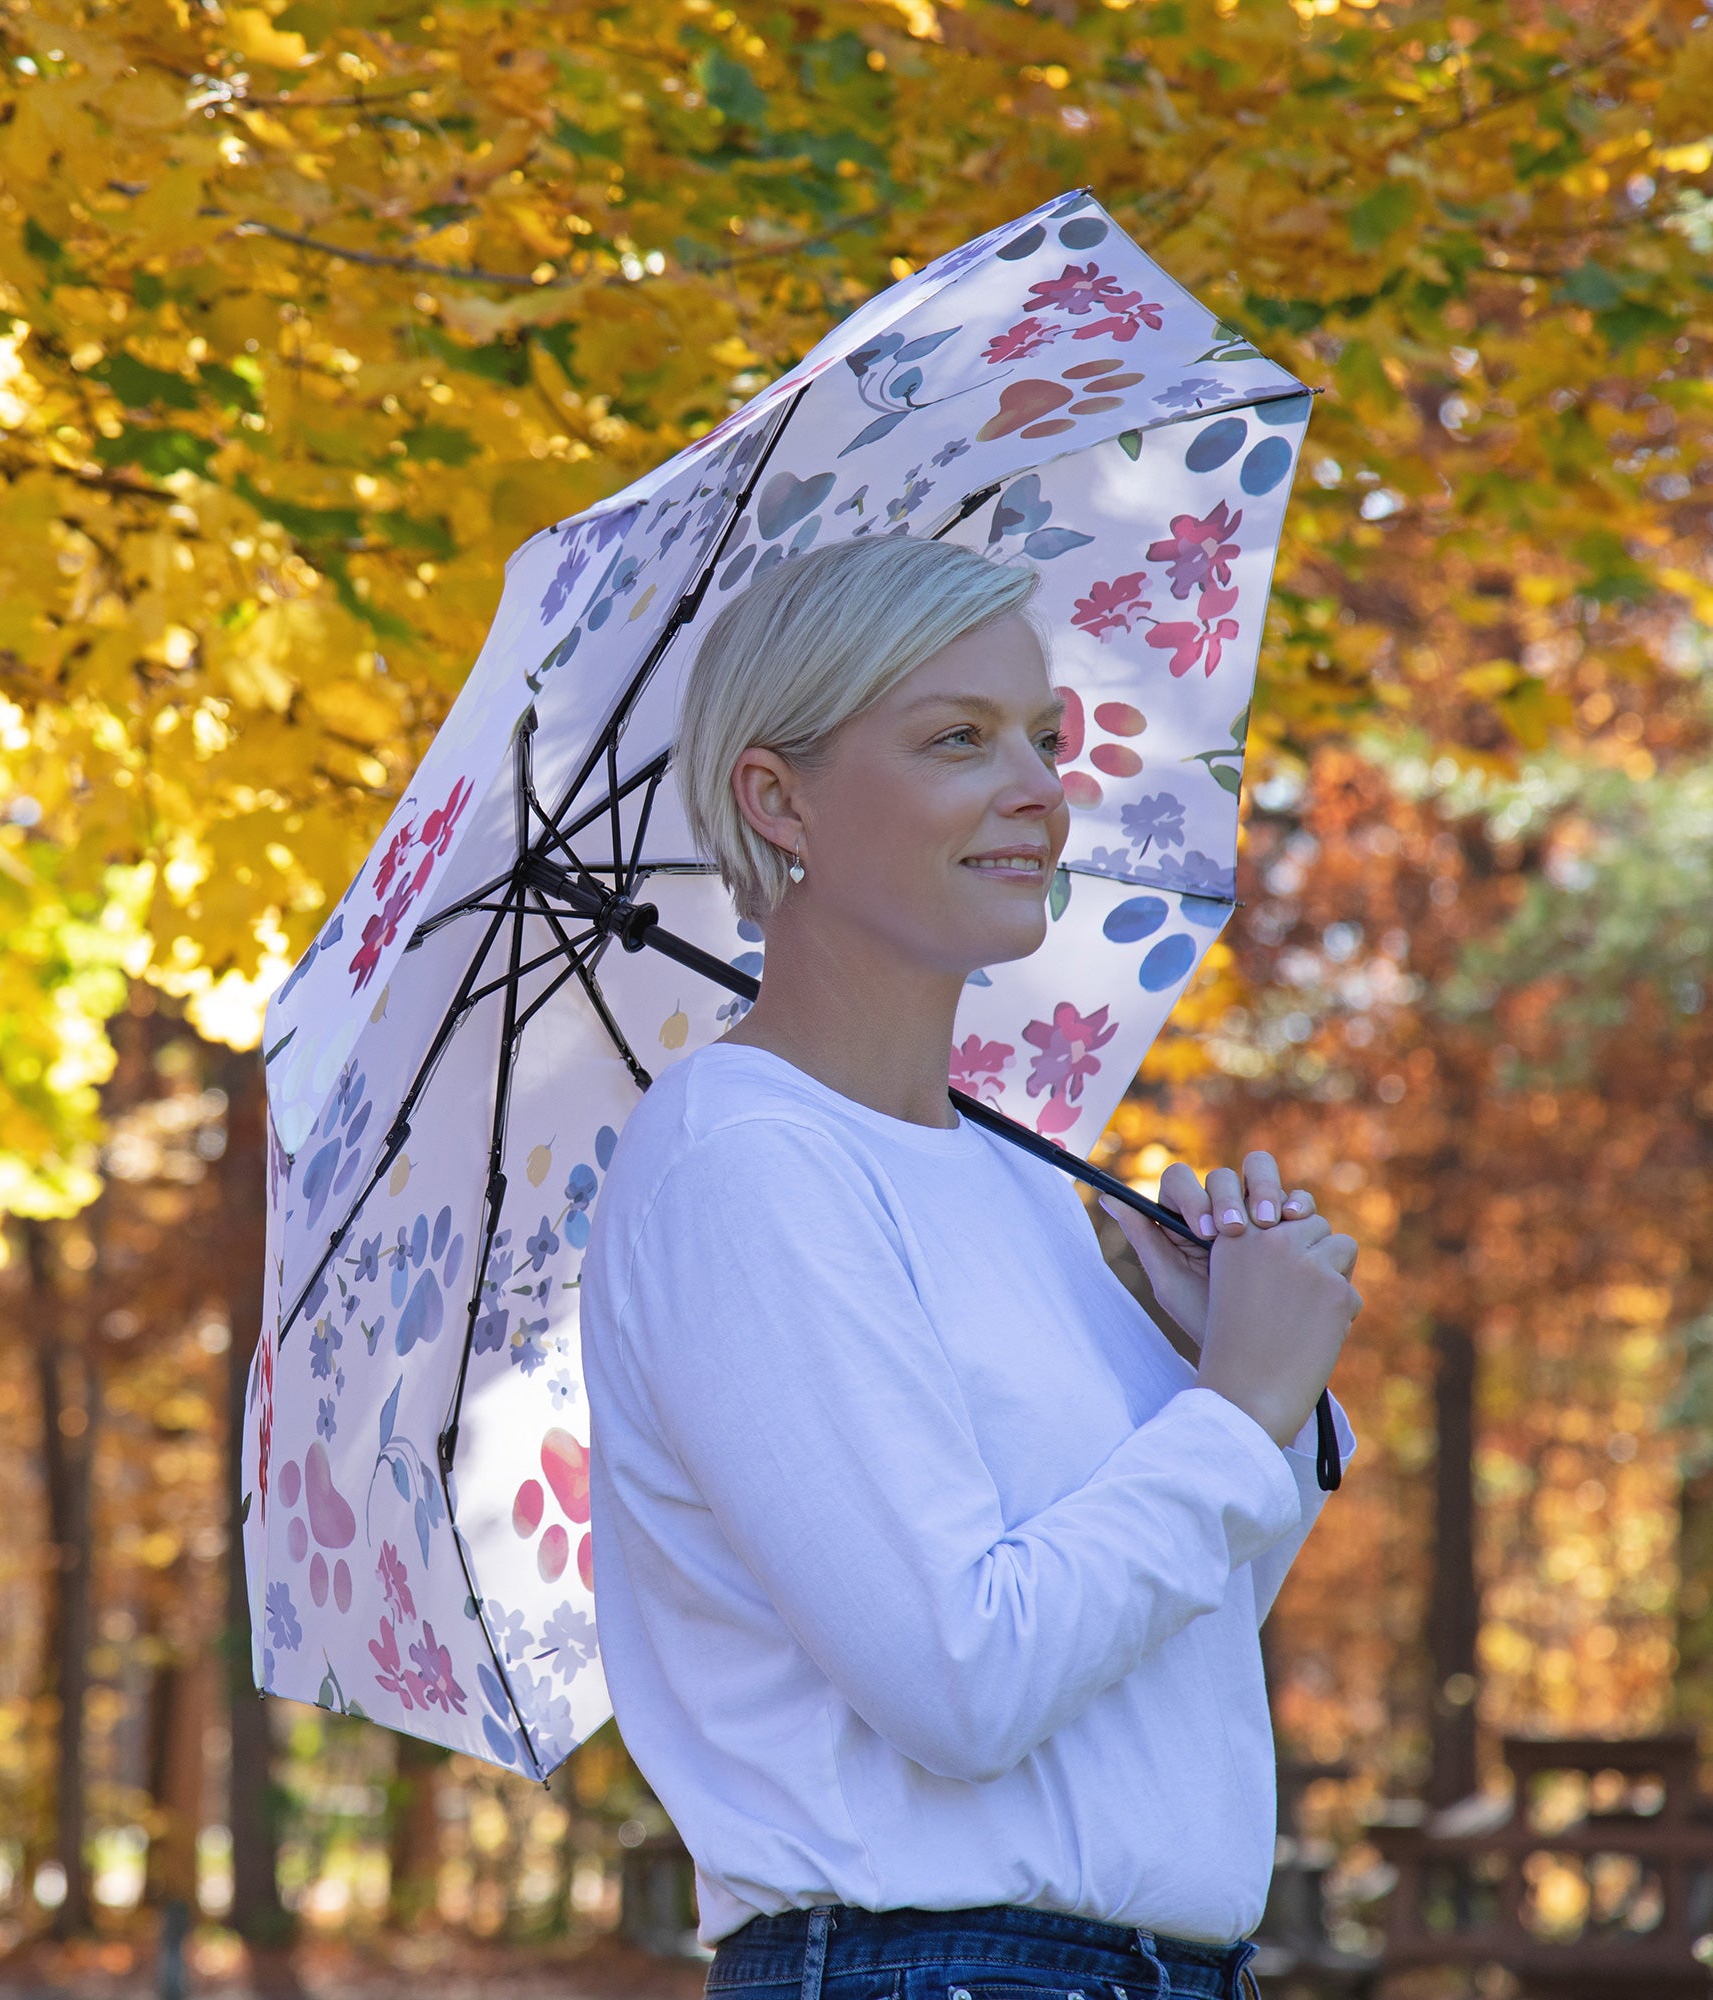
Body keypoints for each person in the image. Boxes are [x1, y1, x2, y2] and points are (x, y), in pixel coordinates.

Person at [578, 535, 1360, 2000]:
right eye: (958, 740)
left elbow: (1157, 1659)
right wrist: (1234, 1413)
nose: (1039, 791)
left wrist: (1241, 1386)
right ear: (778, 798)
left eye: (1044, 740)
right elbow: (966, 1684)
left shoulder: (1017, 1172)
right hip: (932, 1971)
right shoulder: (743, 1163)